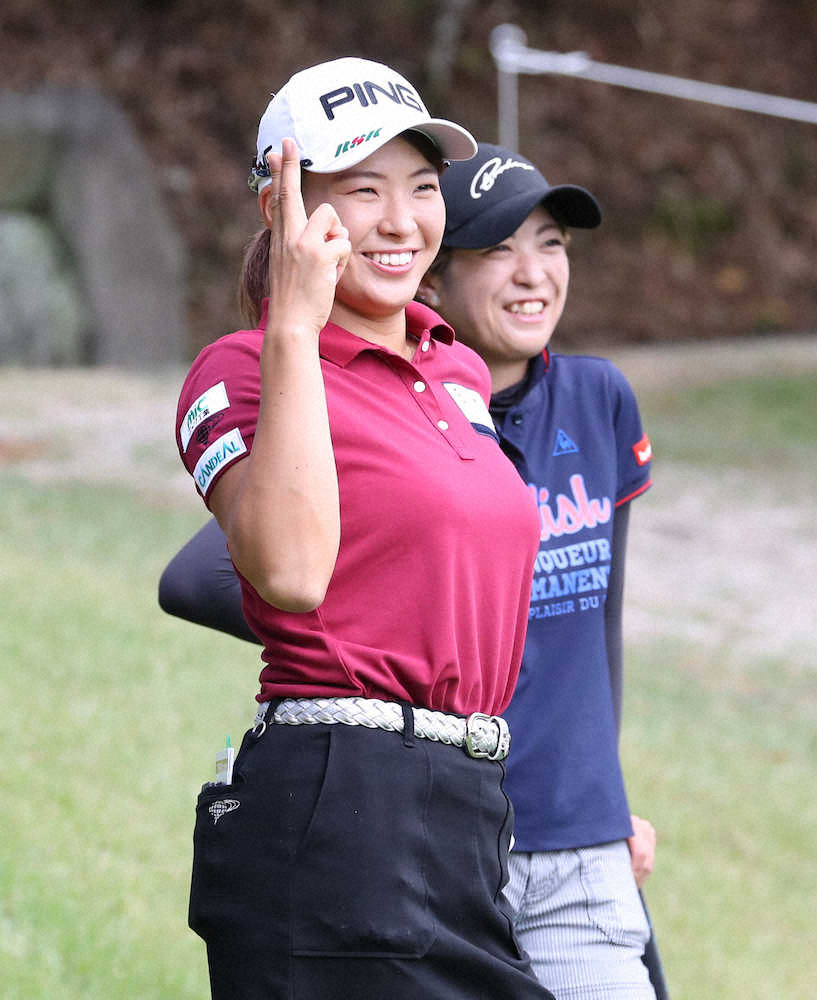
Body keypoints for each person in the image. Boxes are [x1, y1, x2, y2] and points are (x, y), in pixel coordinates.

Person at [163, 137, 669, 1000]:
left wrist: (603, 788)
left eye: (550, 244)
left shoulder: (546, 395)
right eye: (498, 246)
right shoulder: (287, 380)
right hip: (385, 802)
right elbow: (241, 571)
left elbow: (602, 615)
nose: (530, 273)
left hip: (521, 816)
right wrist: (386, 632)